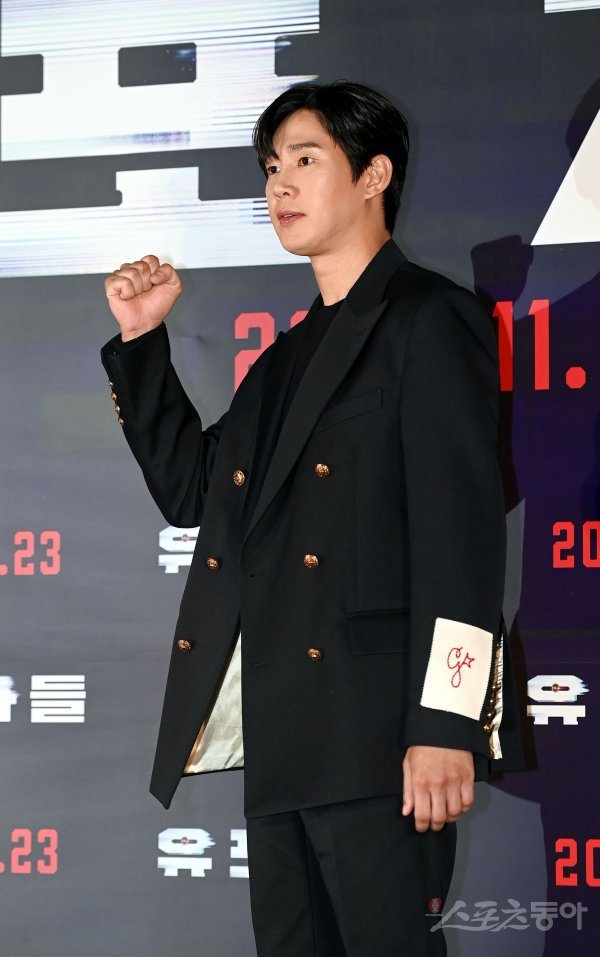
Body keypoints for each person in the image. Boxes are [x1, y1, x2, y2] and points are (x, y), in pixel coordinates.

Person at [101, 81, 523, 957]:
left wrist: (445, 726)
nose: (280, 185)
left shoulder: (430, 318)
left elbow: (461, 540)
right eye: (270, 167)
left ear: (374, 175)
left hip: (380, 741)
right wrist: (143, 344)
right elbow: (195, 492)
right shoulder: (285, 357)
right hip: (283, 738)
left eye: (305, 159)